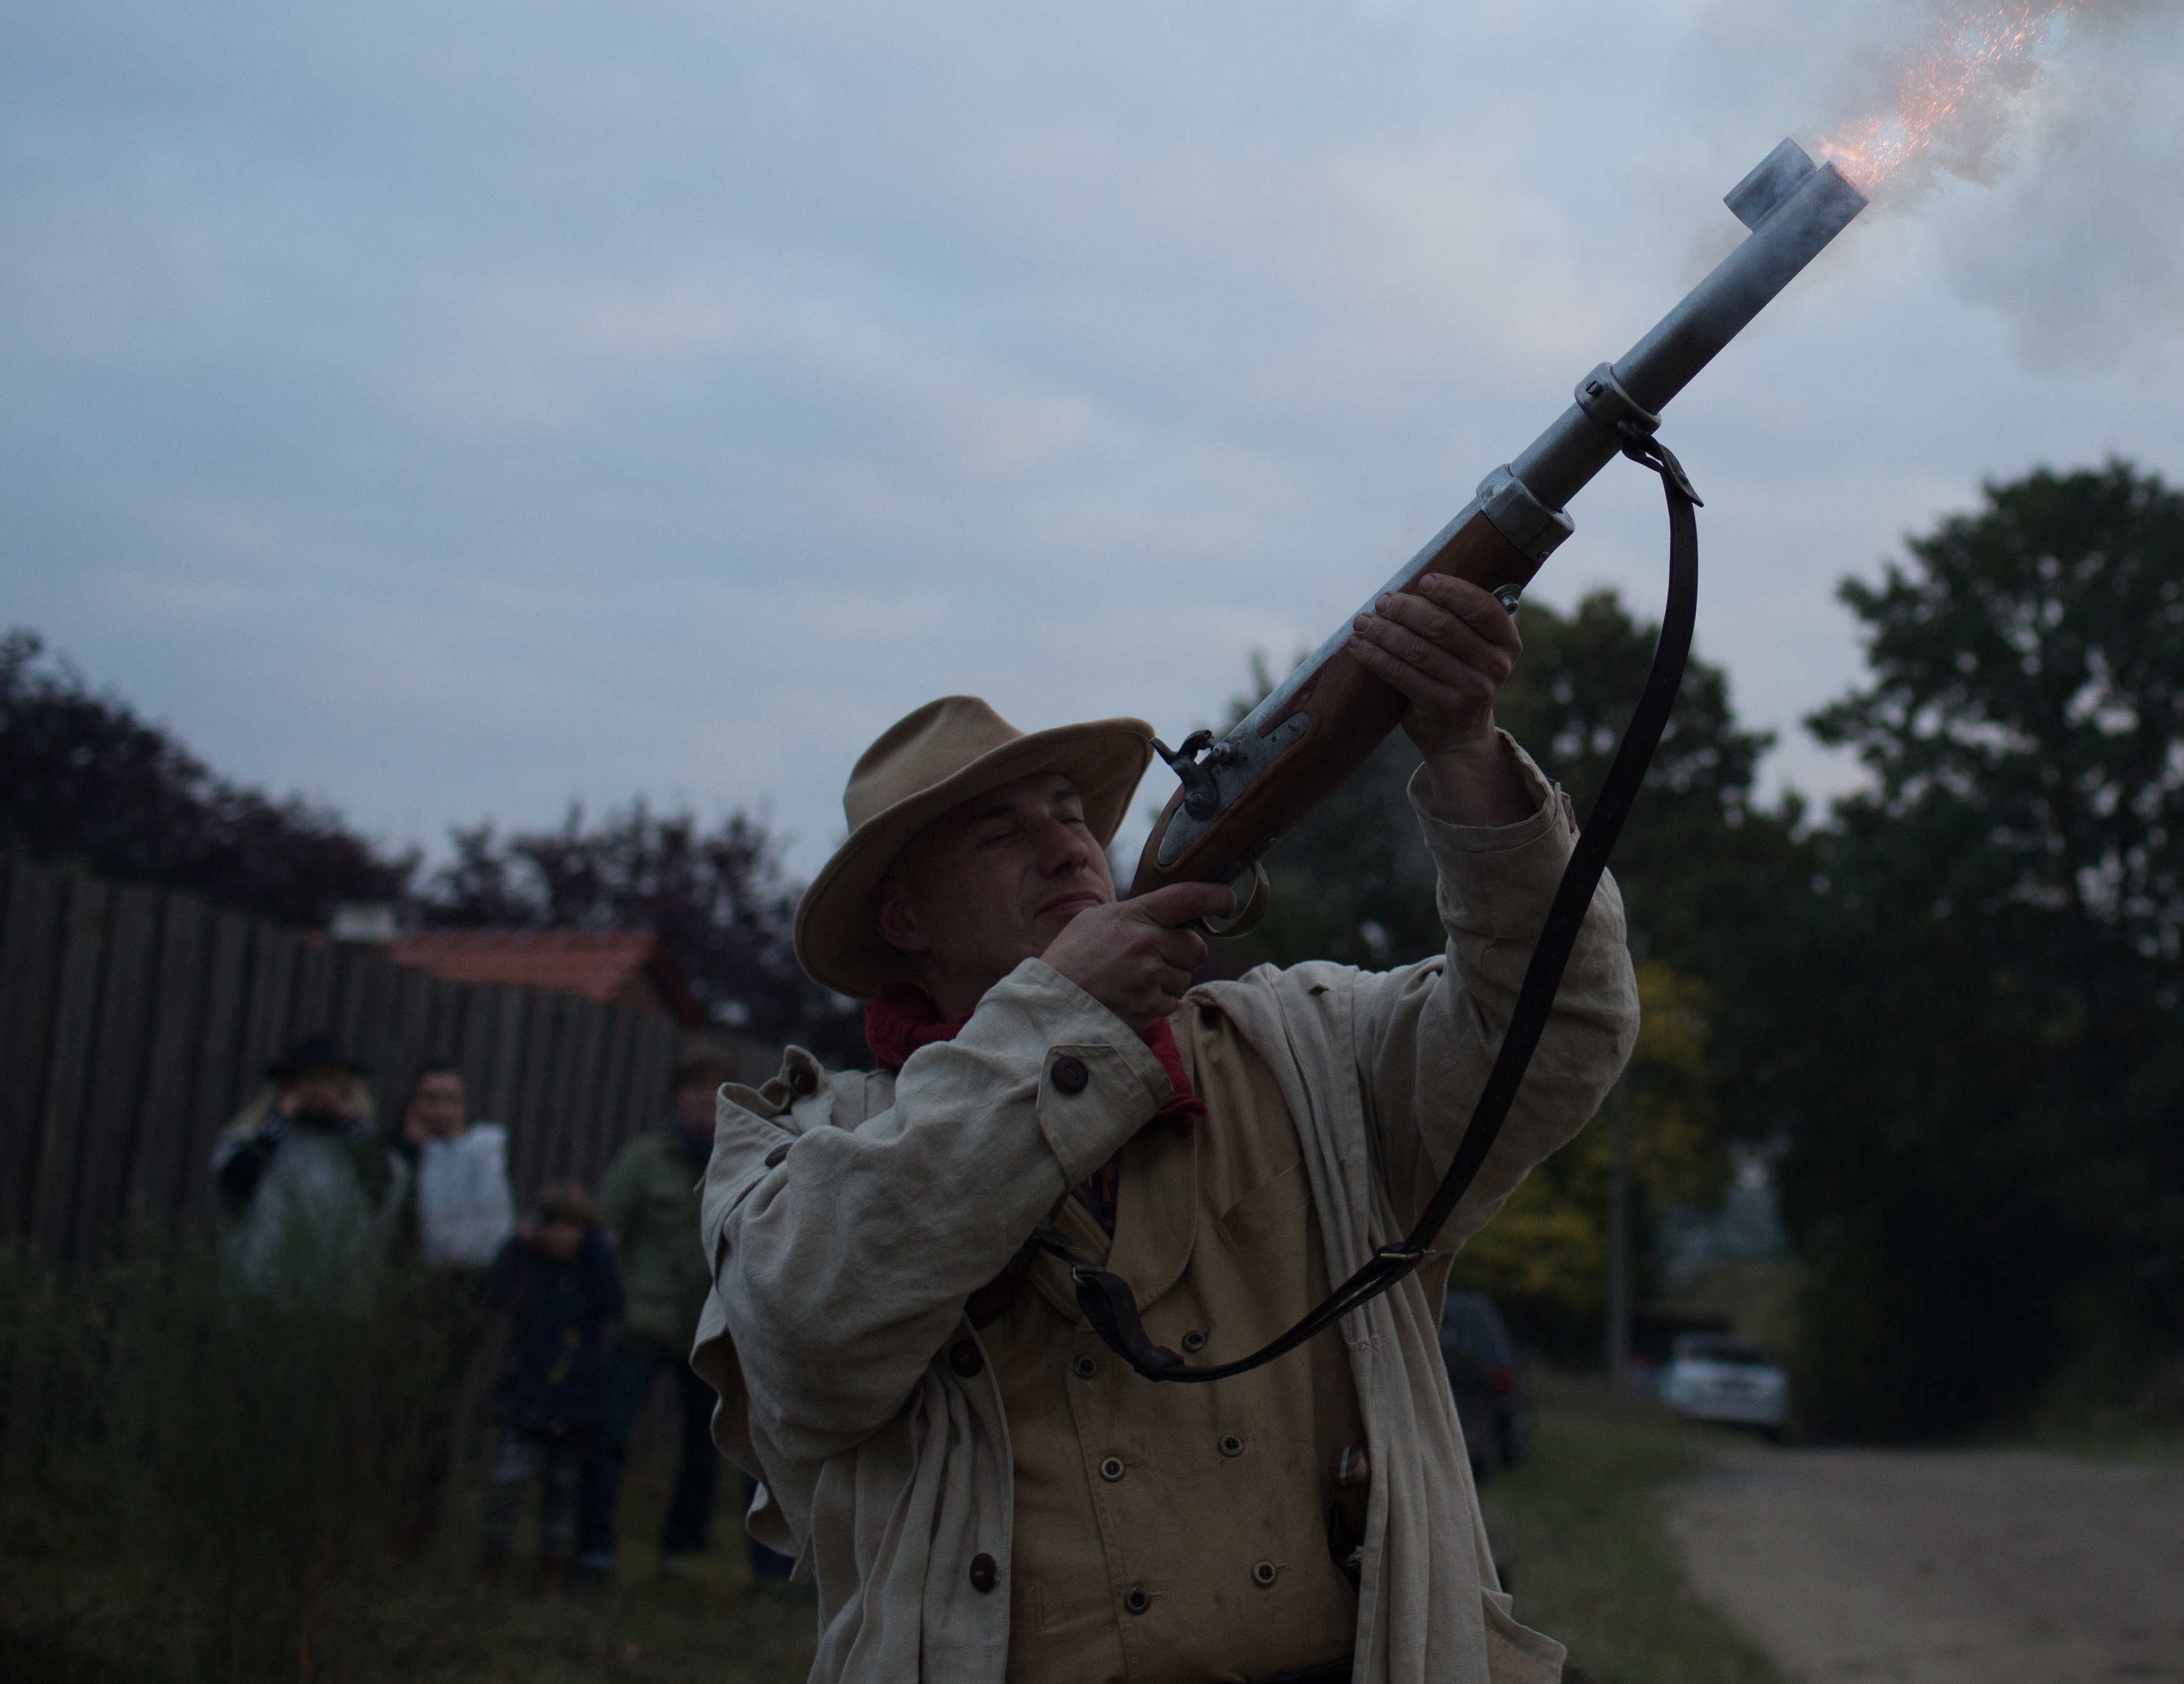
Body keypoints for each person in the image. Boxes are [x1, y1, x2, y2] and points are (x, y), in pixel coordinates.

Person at [695, 574, 1635, 1684]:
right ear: (904, 916)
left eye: (1070, 816)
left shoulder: (1304, 1048)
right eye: (1000, 833)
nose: (1066, 848)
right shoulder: (803, 1144)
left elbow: (1559, 1033)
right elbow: (808, 1345)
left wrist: (1467, 755)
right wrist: (1061, 1019)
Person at [589, 1053, 740, 1580]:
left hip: (712, 1330)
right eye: (697, 1089)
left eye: (718, 1089)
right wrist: (617, 1297)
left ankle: (681, 1552)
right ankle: (594, 1547)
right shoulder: (645, 1158)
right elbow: (604, 1229)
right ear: (680, 1097)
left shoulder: (743, 1161)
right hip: (643, 1322)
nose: (707, 1100)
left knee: (705, 1446)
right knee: (610, 1436)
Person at [478, 1181, 626, 1589]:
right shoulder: (528, 1267)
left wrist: (598, 1248)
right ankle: (494, 1561)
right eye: (554, 1225)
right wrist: (517, 1245)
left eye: (572, 1226)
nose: (562, 1236)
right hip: (524, 1393)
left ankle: (552, 1570)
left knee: (563, 1487)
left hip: (577, 1398)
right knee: (506, 1483)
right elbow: (497, 1296)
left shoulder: (592, 1270)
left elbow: (614, 1304)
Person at [212, 1033, 409, 1284]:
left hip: (337, 1282)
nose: (318, 1090)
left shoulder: (363, 1143)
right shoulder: (251, 1138)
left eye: (328, 1081)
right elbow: (233, 1185)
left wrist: (348, 1122)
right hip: (264, 1281)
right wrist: (280, 1123)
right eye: (308, 1080)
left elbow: (381, 1185)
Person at [398, 1061, 519, 1271]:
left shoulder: (488, 1149)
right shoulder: (401, 1157)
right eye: (432, 1099)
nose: (442, 1109)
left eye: (451, 1099)